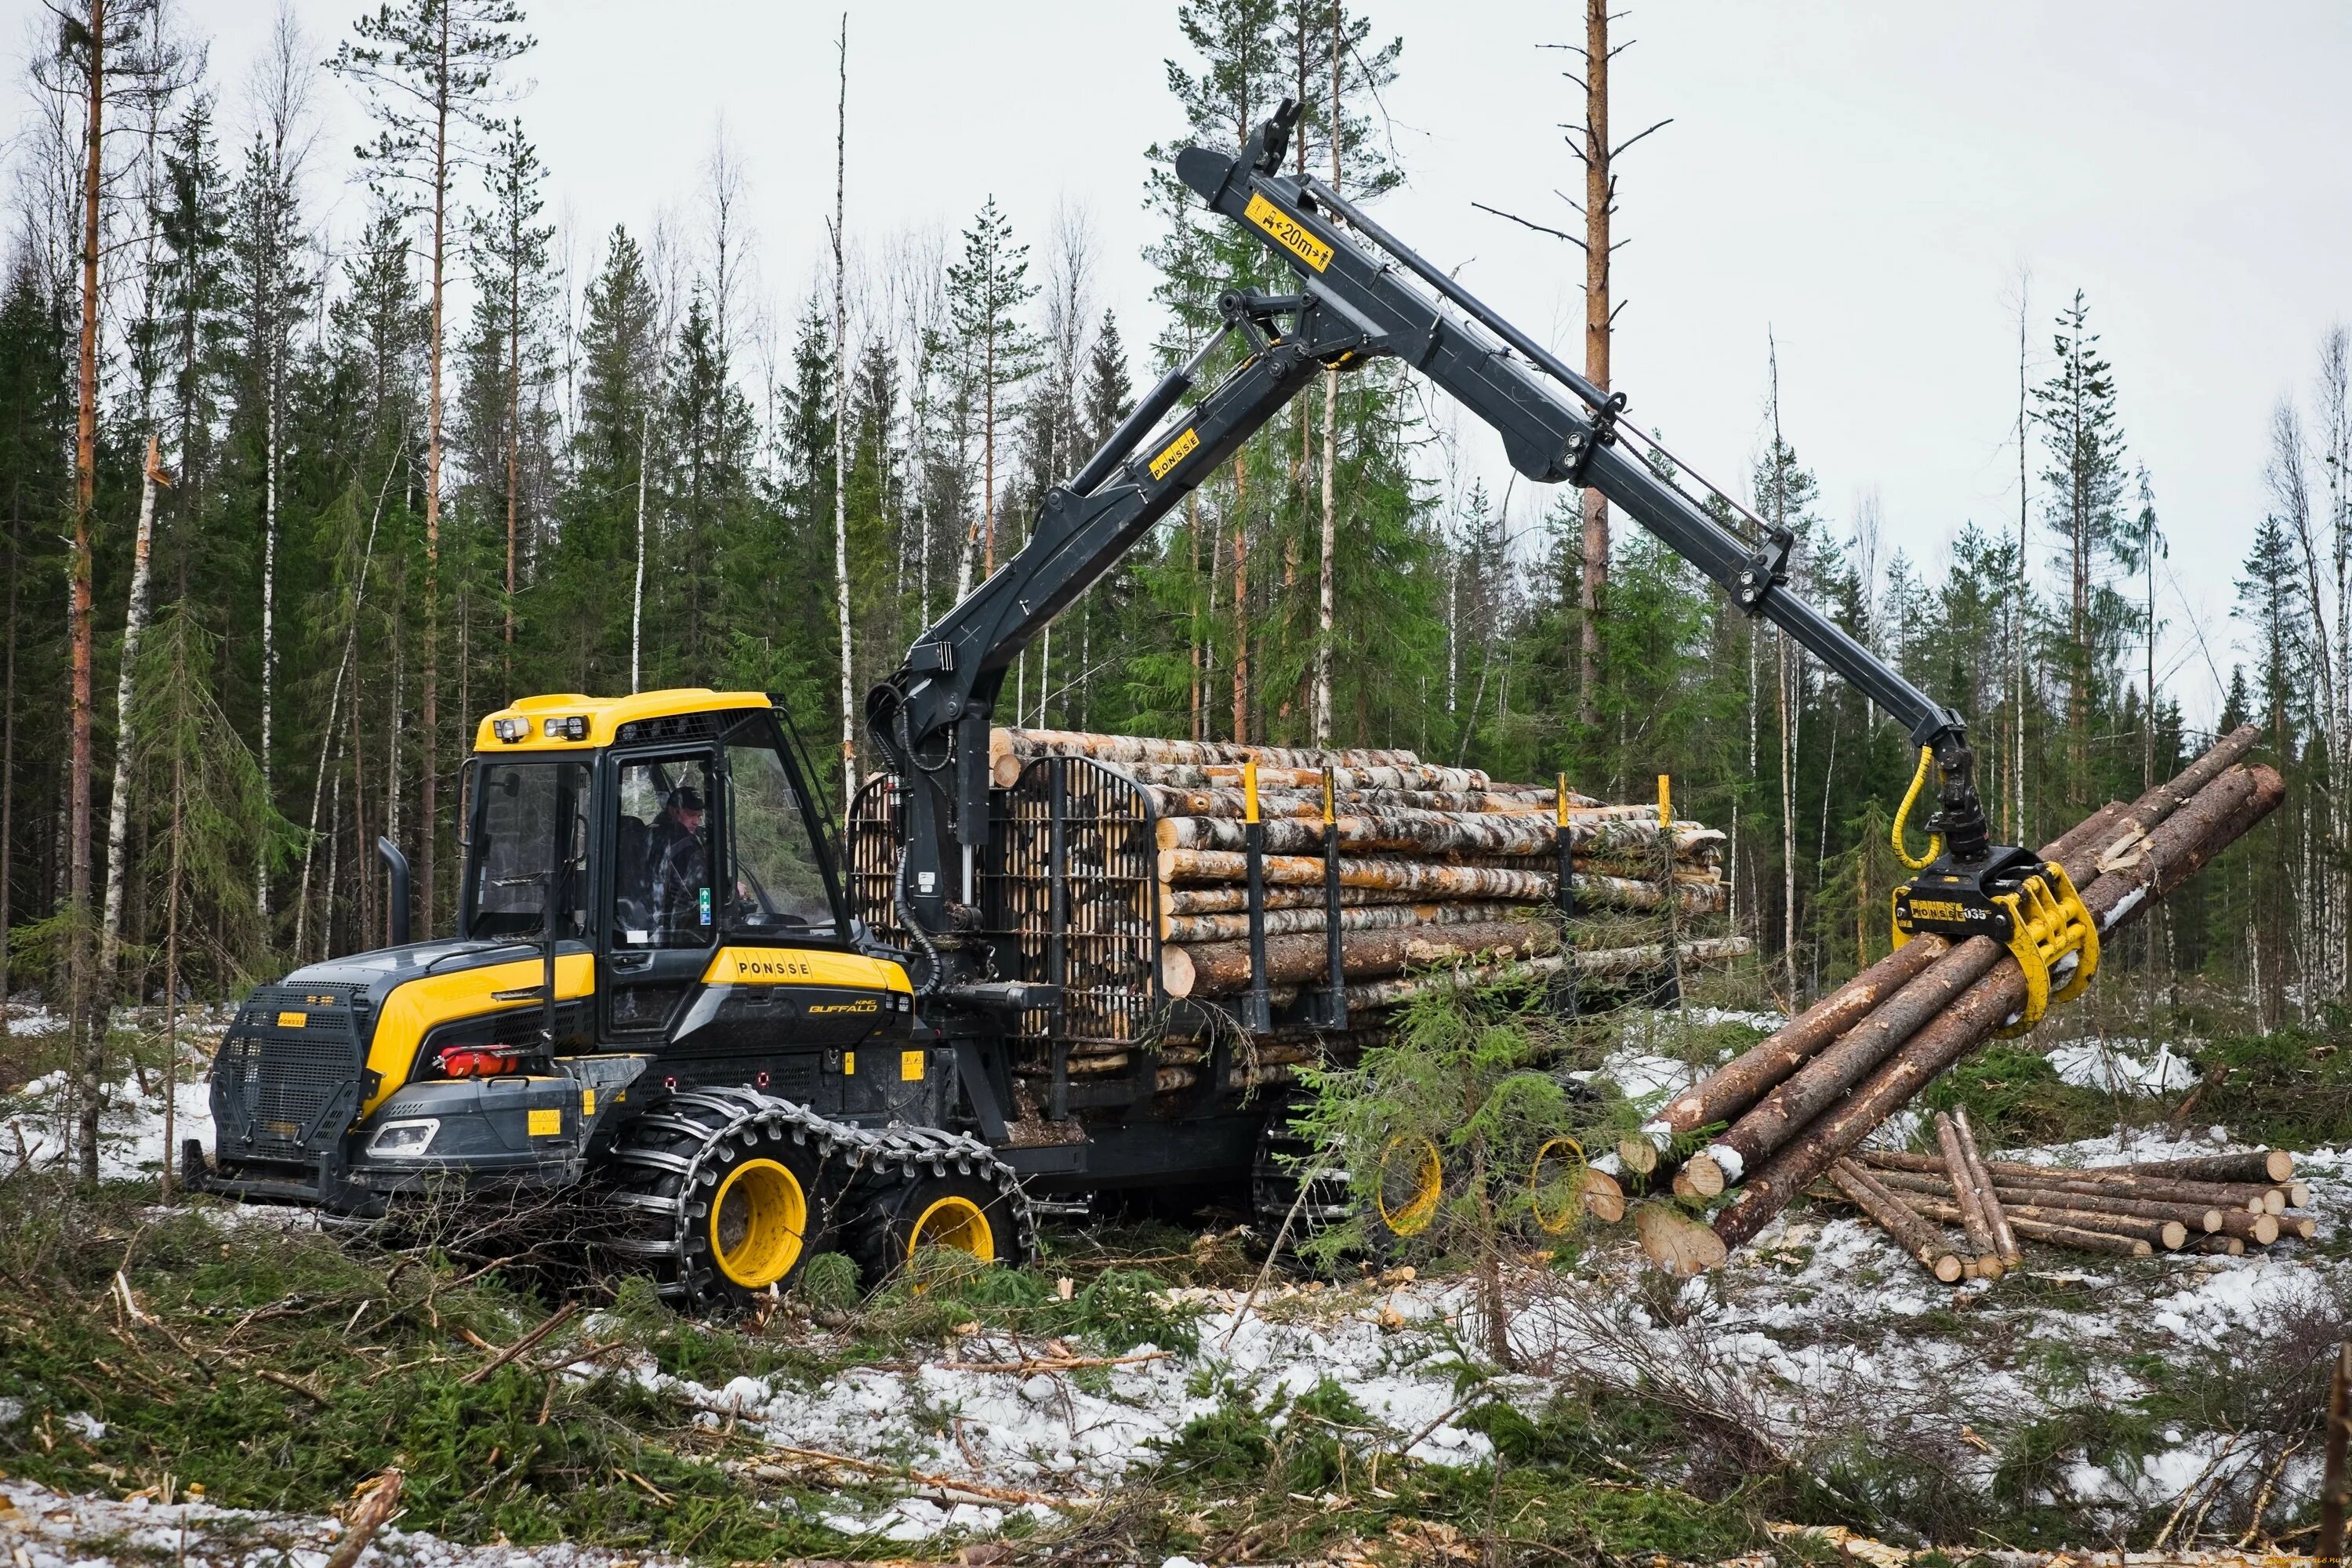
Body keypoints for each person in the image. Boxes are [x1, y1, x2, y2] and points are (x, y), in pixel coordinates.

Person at [647, 784, 710, 937]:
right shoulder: (682, 843)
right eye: (690, 815)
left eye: (699, 816)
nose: (696, 822)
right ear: (673, 811)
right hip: (678, 928)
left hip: (658, 922)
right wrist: (730, 889)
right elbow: (702, 892)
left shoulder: (653, 832)